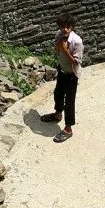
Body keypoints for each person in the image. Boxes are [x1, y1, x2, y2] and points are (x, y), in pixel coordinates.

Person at [43, 13, 82, 142]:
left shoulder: (77, 41)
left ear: (72, 27)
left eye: (67, 27)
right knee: (58, 93)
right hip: (62, 71)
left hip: (71, 75)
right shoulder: (59, 35)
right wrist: (59, 46)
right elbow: (56, 50)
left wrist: (65, 50)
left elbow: (76, 62)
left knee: (69, 102)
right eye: (62, 27)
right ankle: (57, 114)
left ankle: (68, 129)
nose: (65, 29)